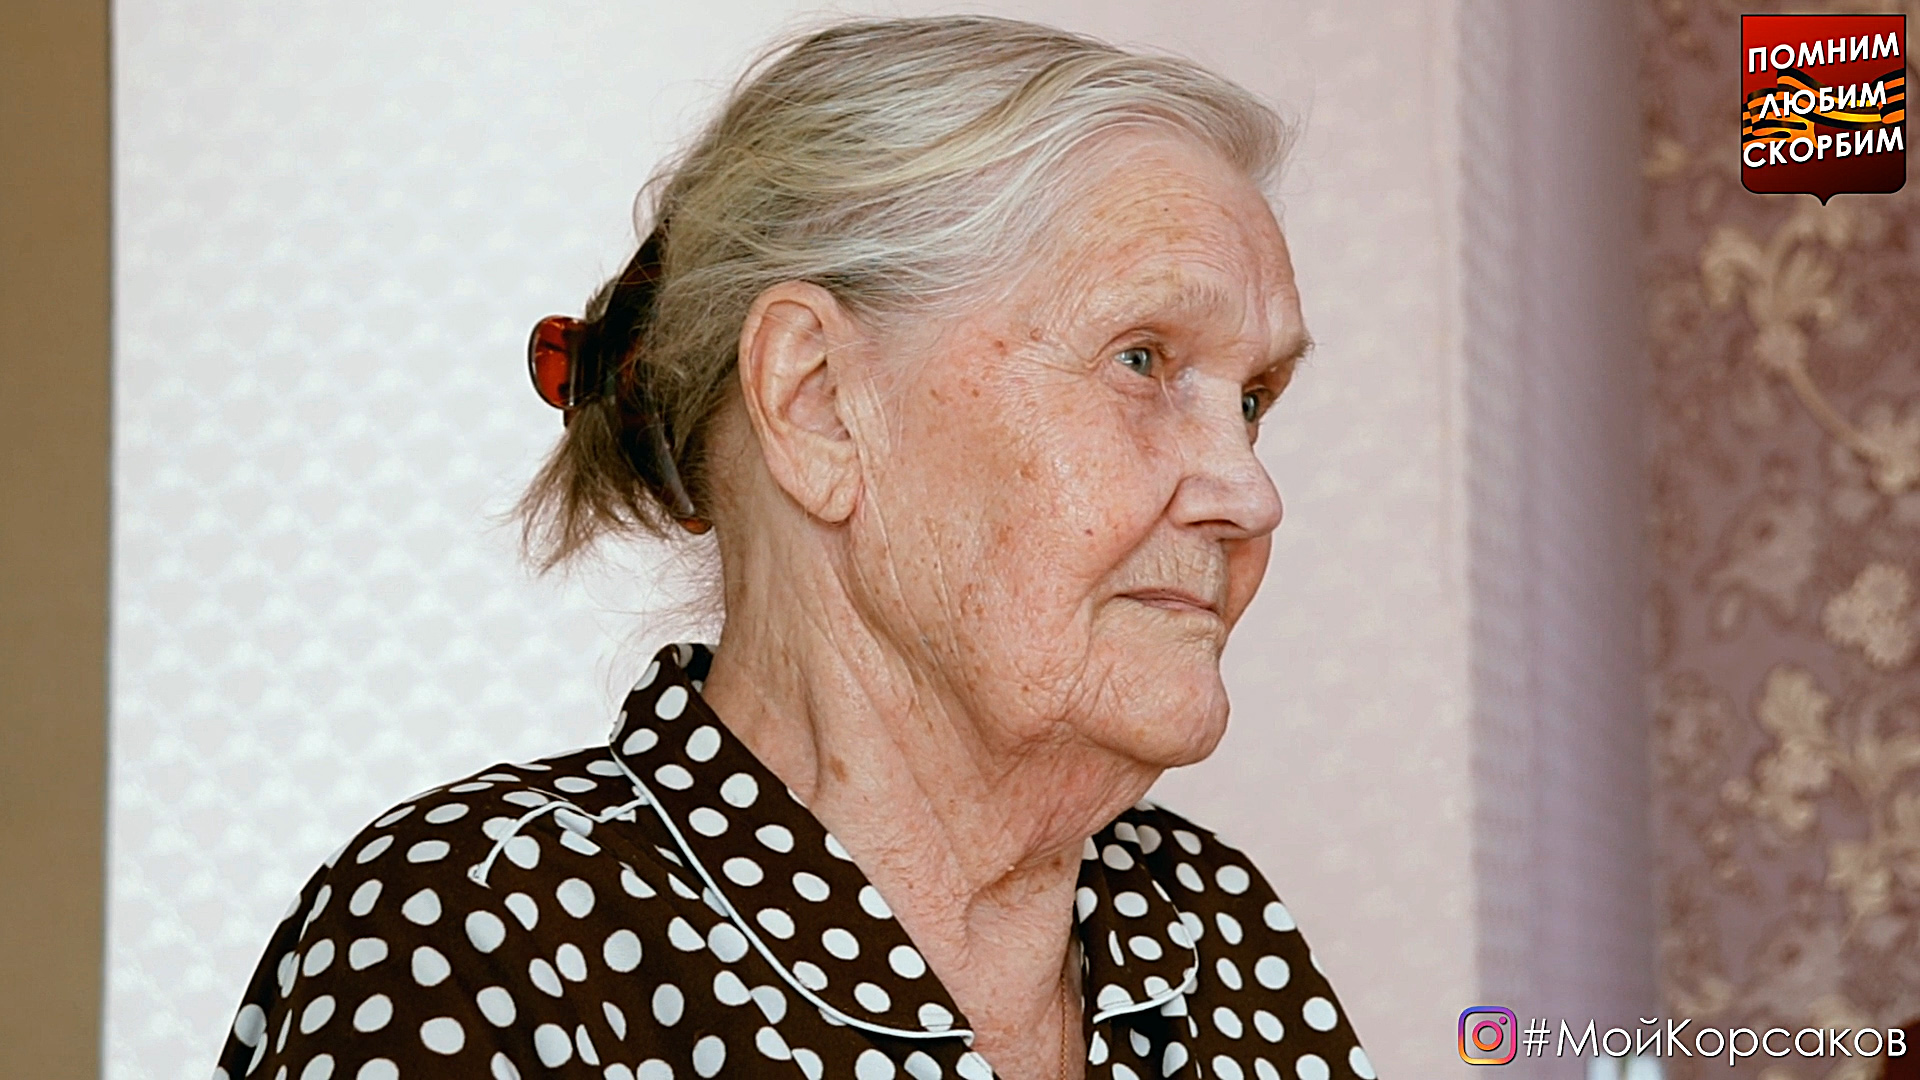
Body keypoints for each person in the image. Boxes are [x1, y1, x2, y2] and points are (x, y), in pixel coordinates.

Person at [213, 15, 1373, 1080]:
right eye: (1142, 360)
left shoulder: (1216, 933)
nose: (1249, 492)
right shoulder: (496, 935)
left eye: (1253, 400)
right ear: (818, 403)